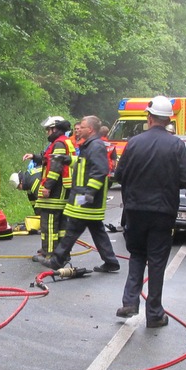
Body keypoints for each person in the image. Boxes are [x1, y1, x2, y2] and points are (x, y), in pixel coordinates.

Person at [112, 96, 186, 328]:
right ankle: (155, 314)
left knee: (137, 254)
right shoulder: (176, 145)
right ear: (168, 119)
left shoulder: (134, 143)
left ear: (149, 117)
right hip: (162, 212)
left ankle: (130, 302)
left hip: (135, 210)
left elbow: (118, 175)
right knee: (157, 261)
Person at [41, 115, 120, 273]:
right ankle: (111, 261)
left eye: (82, 127)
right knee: (97, 231)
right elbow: (86, 164)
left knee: (72, 230)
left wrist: (89, 193)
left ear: (90, 129)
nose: (78, 130)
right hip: (89, 199)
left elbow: (100, 171)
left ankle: (57, 260)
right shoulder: (90, 145)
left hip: (86, 198)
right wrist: (68, 159)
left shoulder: (95, 146)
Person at [27, 116, 76, 260]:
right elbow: (48, 158)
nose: (47, 132)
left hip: (56, 189)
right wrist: (35, 157)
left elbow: (55, 167)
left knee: (48, 222)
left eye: (49, 129)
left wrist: (47, 186)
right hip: (63, 187)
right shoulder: (62, 142)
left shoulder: (59, 144)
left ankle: (48, 253)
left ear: (56, 129)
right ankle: (61, 253)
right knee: (60, 224)